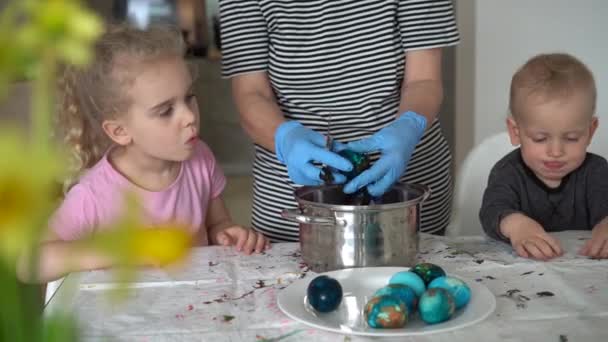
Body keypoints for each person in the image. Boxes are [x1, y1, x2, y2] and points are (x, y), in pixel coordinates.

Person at [18, 25, 269, 283]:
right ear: (119, 131)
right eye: (165, 111)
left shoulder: (200, 158)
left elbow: (217, 223)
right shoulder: (93, 195)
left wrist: (227, 234)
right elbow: (29, 265)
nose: (189, 116)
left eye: (189, 97)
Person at [221, 0, 460, 241]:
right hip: (297, 203)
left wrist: (409, 127)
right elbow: (251, 92)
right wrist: (285, 139)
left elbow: (424, 80)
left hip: (403, 197)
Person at [479, 53, 608, 260]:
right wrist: (516, 225)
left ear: (590, 131)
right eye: (540, 139)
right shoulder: (508, 172)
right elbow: (492, 211)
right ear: (515, 131)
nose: (555, 152)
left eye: (572, 138)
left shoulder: (597, 172)